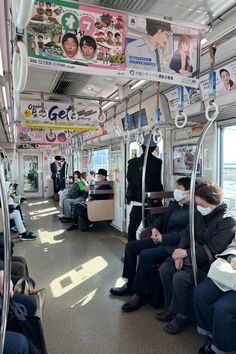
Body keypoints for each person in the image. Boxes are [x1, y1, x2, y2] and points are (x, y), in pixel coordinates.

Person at [156, 182, 236, 334]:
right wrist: (180, 251)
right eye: (197, 204)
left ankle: (182, 316)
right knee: (166, 268)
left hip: (207, 264)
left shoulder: (227, 221)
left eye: (202, 204)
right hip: (189, 255)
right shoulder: (199, 213)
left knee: (180, 278)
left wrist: (186, 254)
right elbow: (187, 232)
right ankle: (171, 309)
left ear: (213, 203)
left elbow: (214, 249)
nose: (199, 207)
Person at [110, 177, 192, 312]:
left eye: (179, 188)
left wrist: (163, 238)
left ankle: (138, 294)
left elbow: (184, 234)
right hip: (160, 239)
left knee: (145, 255)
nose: (176, 191)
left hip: (172, 246)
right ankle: (130, 284)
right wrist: (153, 228)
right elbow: (162, 219)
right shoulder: (175, 204)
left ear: (188, 192)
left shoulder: (192, 211)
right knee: (131, 246)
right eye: (176, 188)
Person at [194, 235, 236, 354]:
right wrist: (232, 258)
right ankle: (213, 337)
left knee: (223, 308)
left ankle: (219, 349)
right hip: (232, 274)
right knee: (201, 294)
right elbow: (233, 246)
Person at [126, 135, 163, 242]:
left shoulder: (132, 163)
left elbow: (130, 180)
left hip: (137, 200)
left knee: (132, 226)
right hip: (153, 200)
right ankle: (148, 246)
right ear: (154, 148)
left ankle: (131, 247)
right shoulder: (158, 162)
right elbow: (157, 181)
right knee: (151, 227)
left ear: (142, 146)